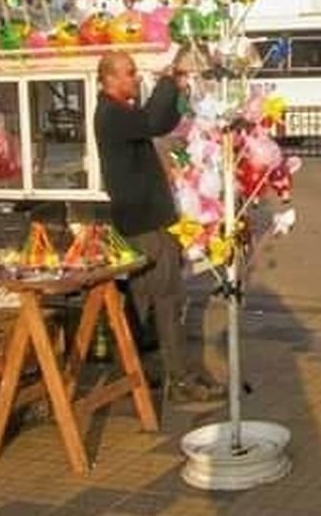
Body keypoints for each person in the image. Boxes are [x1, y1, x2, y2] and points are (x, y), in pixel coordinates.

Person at [95, 49, 221, 404]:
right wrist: (169, 78)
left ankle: (140, 372)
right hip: (145, 220)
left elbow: (160, 122)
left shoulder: (123, 112)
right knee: (168, 298)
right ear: (108, 79)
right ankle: (179, 380)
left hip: (147, 217)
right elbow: (152, 122)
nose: (135, 78)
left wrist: (177, 85)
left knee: (145, 299)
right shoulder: (110, 113)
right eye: (129, 72)